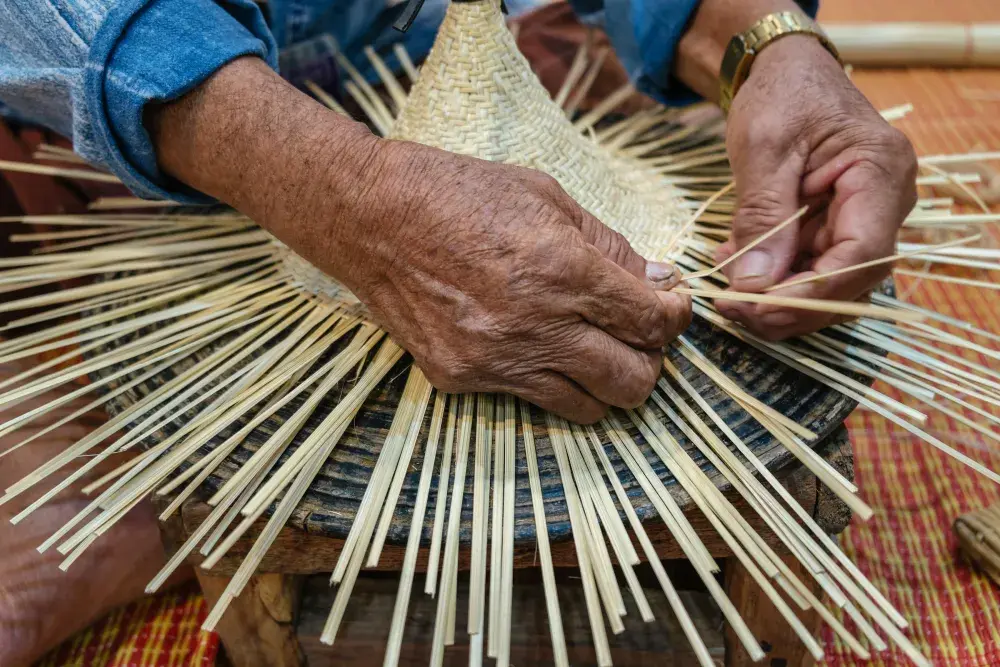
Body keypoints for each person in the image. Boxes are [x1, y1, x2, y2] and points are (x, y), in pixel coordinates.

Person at [0, 0, 917, 663]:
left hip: (479, 54)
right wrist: (335, 190)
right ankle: (120, 474)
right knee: (92, 434)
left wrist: (758, 38)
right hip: (128, 132)